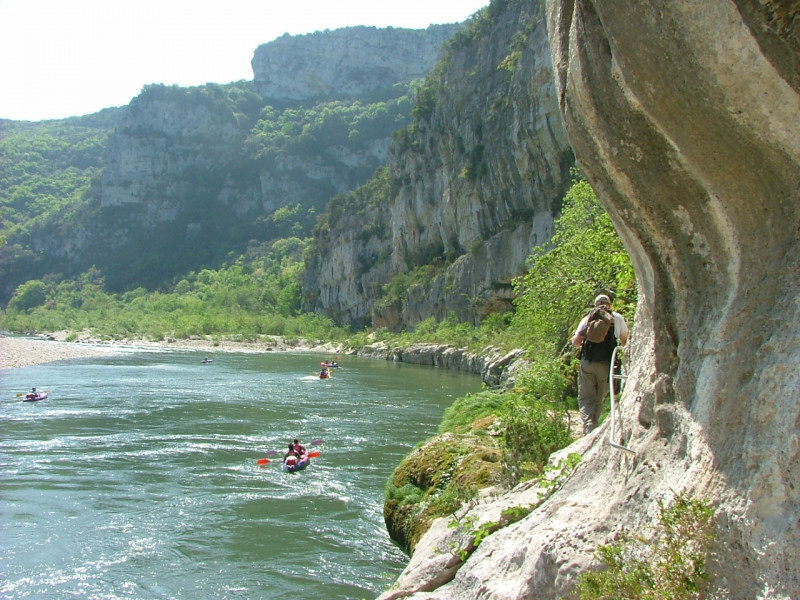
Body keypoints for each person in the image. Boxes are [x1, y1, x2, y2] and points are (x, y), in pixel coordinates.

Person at [571, 294, 629, 434]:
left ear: (595, 305)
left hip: (588, 362)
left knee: (585, 396)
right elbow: (625, 341)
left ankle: (588, 426)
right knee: (600, 396)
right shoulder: (617, 318)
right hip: (606, 363)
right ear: (609, 305)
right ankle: (594, 424)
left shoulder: (589, 318)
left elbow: (576, 342)